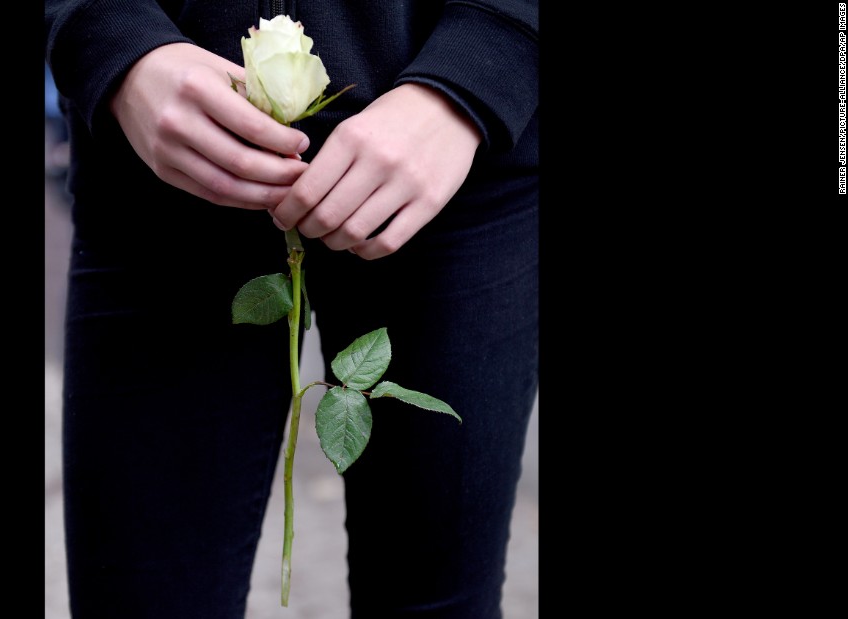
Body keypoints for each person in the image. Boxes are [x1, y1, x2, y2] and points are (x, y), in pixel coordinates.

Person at [45, 1, 538, 617]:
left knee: (440, 596)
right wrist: (111, 35)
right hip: (162, 158)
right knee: (145, 592)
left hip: (459, 162)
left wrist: (481, 65)